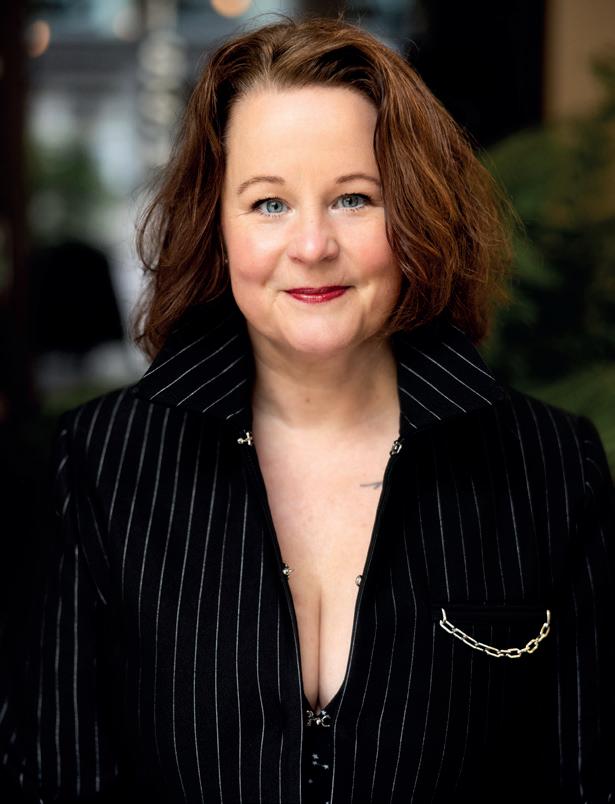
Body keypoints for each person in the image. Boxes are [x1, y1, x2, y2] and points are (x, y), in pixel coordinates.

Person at [1, 14, 614, 804]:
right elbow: (54, 779)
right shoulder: (105, 460)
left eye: (354, 199)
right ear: (216, 226)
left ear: (416, 213)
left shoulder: (547, 466)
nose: (313, 245)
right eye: (268, 204)